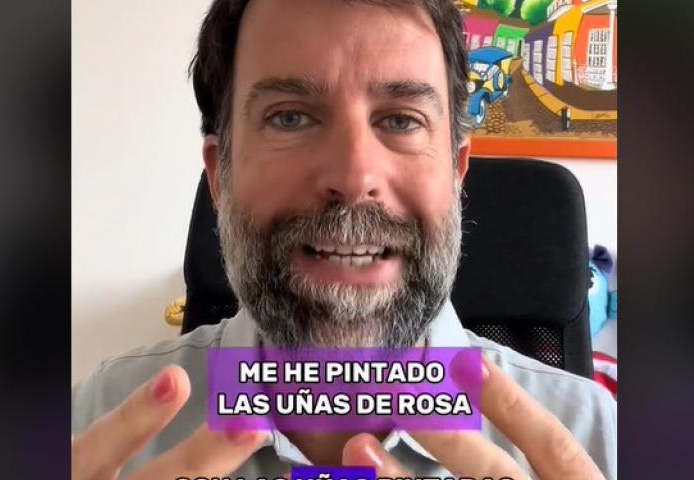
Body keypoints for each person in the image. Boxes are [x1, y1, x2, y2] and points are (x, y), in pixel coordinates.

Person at [72, 0, 616, 478]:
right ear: (220, 176)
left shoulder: (605, 442)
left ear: (456, 172)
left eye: (401, 121)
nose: (355, 176)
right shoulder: (91, 422)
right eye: (289, 118)